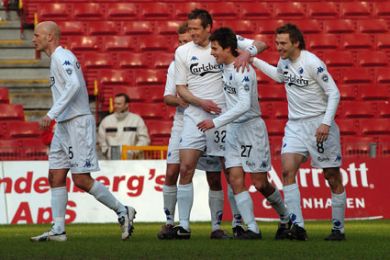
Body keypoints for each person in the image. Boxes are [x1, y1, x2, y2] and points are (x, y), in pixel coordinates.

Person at [30, 21, 136, 242]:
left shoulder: (62, 56)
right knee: (55, 175)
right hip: (64, 124)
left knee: (80, 179)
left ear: (50, 37)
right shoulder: (56, 59)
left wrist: (51, 113)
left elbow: (74, 85)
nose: (33, 39)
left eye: (37, 35)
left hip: (77, 122)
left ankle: (122, 210)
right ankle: (58, 229)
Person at [174, 9, 267, 239]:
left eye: (196, 28)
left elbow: (261, 43)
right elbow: (180, 88)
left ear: (208, 28)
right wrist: (200, 102)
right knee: (185, 167)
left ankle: (231, 224)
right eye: (190, 28)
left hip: (225, 118)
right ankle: (184, 226)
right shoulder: (182, 52)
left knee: (226, 173)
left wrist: (248, 54)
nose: (192, 33)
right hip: (197, 116)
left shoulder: (224, 43)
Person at [251, 23, 346, 241]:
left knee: (331, 176)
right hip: (294, 125)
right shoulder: (284, 61)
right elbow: (278, 76)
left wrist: (326, 123)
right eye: (276, 43)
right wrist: (253, 60)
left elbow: (334, 93)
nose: (278, 47)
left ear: (296, 42)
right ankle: (298, 226)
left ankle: (338, 229)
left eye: (283, 43)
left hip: (319, 125)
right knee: (287, 171)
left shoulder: (312, 63)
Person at [198, 27, 290, 240]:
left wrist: (215, 123)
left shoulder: (244, 70)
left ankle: (286, 217)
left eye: (215, 49)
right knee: (235, 179)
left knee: (260, 183)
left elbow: (243, 105)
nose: (212, 53)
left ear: (228, 48)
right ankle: (252, 229)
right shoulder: (225, 63)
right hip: (233, 130)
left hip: (250, 128)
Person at [158, 22, 240, 240]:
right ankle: (173, 223)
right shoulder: (177, 62)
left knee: (216, 176)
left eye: (189, 37)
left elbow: (249, 48)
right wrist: (182, 100)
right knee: (177, 171)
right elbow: (168, 96)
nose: (187, 42)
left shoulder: (217, 51)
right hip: (184, 122)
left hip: (215, 120)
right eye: (183, 40)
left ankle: (219, 226)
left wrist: (248, 54)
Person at [97, 93, 150, 159]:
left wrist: (134, 152)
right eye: (115, 103)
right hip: (112, 162)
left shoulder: (137, 120)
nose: (116, 106)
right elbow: (101, 140)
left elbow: (144, 139)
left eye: (119, 104)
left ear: (126, 105)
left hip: (132, 162)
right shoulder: (106, 121)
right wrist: (107, 151)